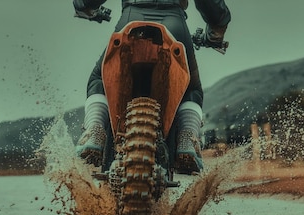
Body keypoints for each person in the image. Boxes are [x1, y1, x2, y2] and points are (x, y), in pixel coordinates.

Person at [74, 0, 231, 174]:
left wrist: (85, 6)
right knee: (191, 89)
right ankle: (187, 139)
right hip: (175, 24)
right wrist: (216, 31)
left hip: (130, 19)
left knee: (100, 79)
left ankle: (95, 130)